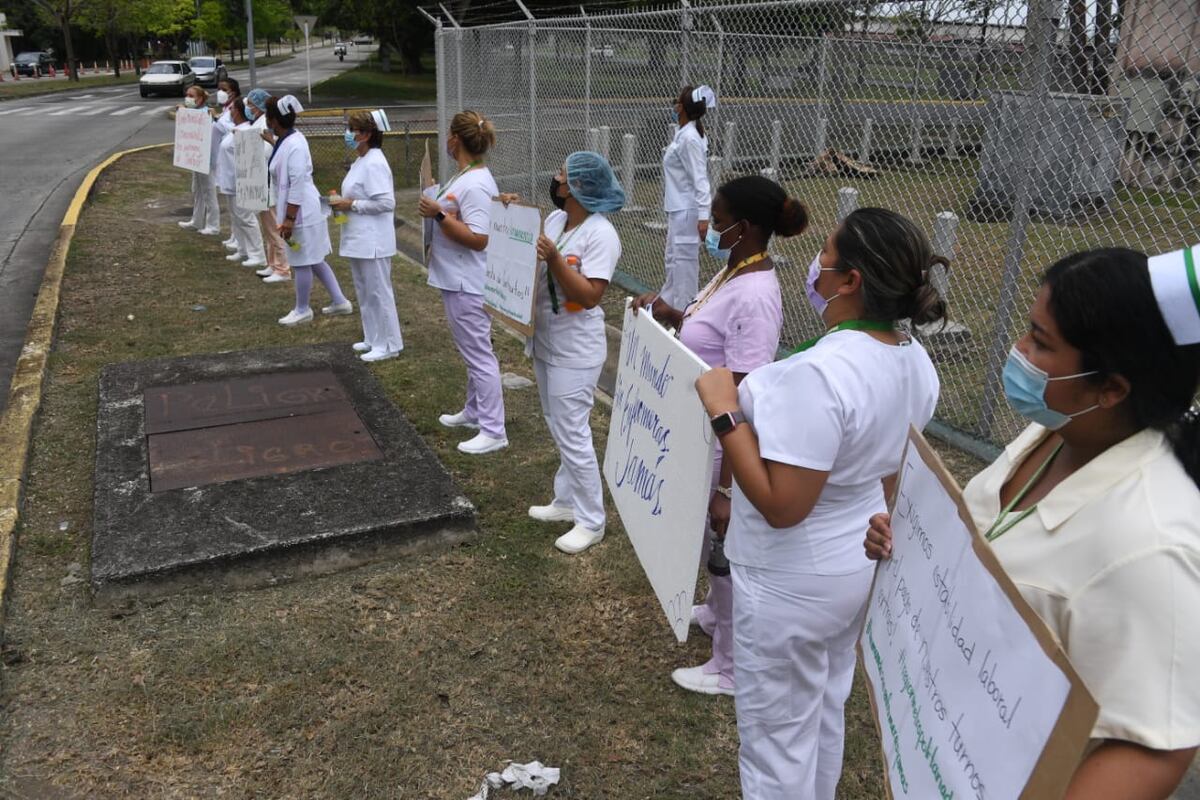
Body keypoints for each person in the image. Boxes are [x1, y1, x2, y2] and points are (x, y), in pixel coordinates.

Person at [864, 246, 1200, 800]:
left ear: (1111, 388)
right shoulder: (1060, 432)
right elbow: (996, 539)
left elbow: (1154, 747)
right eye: (1028, 330)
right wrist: (915, 552)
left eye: (1040, 343)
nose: (1018, 350)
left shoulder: (1150, 546)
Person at [695, 208, 948, 800]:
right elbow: (889, 471)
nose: (815, 264)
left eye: (826, 255)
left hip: (790, 578)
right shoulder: (912, 358)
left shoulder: (820, 373)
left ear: (850, 280)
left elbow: (784, 505)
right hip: (849, 564)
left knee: (775, 742)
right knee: (822, 710)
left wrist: (724, 411)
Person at [634, 175, 804, 697]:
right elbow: (711, 339)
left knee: (724, 545)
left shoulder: (754, 294)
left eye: (718, 218)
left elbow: (744, 396)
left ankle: (729, 666)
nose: (708, 225)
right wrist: (670, 315)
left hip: (720, 446)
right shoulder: (735, 269)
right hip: (698, 435)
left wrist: (729, 487)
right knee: (711, 538)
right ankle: (714, 612)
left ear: (743, 227)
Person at [514, 151, 626, 554]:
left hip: (575, 350)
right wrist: (513, 215)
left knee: (573, 432)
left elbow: (591, 295)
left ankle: (592, 520)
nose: (556, 178)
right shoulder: (557, 220)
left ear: (577, 186)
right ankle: (565, 500)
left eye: (562, 174)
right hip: (547, 340)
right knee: (557, 422)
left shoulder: (601, 235)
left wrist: (556, 260)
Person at [418, 110, 507, 456]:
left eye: (448, 135)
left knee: (479, 356)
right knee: (473, 352)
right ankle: (475, 411)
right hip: (457, 278)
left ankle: (494, 430)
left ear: (455, 140)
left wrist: (438, 214)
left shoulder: (476, 183)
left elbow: (479, 238)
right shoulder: (465, 176)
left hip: (467, 282)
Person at [264, 95, 352, 327]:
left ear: (273, 120)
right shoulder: (288, 140)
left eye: (267, 116)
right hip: (300, 209)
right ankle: (340, 301)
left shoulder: (294, 144)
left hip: (300, 212)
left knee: (301, 261)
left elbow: (297, 183)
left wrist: (290, 219)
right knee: (313, 258)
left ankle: (302, 309)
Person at [330, 110, 404, 362]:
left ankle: (389, 344)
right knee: (364, 291)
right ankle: (373, 337)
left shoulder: (375, 163)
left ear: (367, 135)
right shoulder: (361, 161)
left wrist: (351, 204)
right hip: (358, 238)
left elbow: (386, 203)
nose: (348, 134)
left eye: (353, 130)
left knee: (378, 292)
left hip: (373, 240)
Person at [659, 84, 715, 309]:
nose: (674, 104)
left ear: (681, 107)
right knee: (673, 262)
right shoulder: (685, 134)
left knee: (684, 269)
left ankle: (684, 315)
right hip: (678, 210)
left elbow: (700, 179)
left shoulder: (689, 138)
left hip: (686, 211)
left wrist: (703, 217)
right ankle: (668, 308)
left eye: (677, 101)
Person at [214, 93, 266, 268]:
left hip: (240, 182)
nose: (229, 111)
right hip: (229, 181)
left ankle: (257, 254)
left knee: (246, 218)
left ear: (237, 111)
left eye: (232, 109)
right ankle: (243, 249)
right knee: (237, 218)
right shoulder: (235, 130)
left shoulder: (246, 131)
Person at [245, 88, 290, 284]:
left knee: (274, 228)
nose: (248, 109)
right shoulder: (260, 122)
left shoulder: (266, 124)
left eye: (251, 105)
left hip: (268, 183)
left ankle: (283, 268)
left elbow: (267, 152)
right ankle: (273, 264)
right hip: (261, 181)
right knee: (268, 228)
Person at [177, 85, 220, 236]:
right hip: (195, 158)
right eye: (187, 95)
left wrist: (184, 112)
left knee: (209, 192)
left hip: (206, 160)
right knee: (197, 190)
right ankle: (196, 220)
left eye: (191, 96)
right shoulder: (194, 112)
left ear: (200, 99)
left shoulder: (206, 113)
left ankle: (213, 225)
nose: (188, 98)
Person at [215, 76, 241, 255]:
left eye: (224, 90)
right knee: (232, 207)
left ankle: (239, 238)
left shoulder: (237, 108)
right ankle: (234, 235)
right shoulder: (226, 108)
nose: (220, 93)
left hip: (234, 162)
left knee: (239, 209)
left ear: (234, 92)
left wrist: (218, 120)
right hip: (225, 160)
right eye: (219, 89)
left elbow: (232, 128)